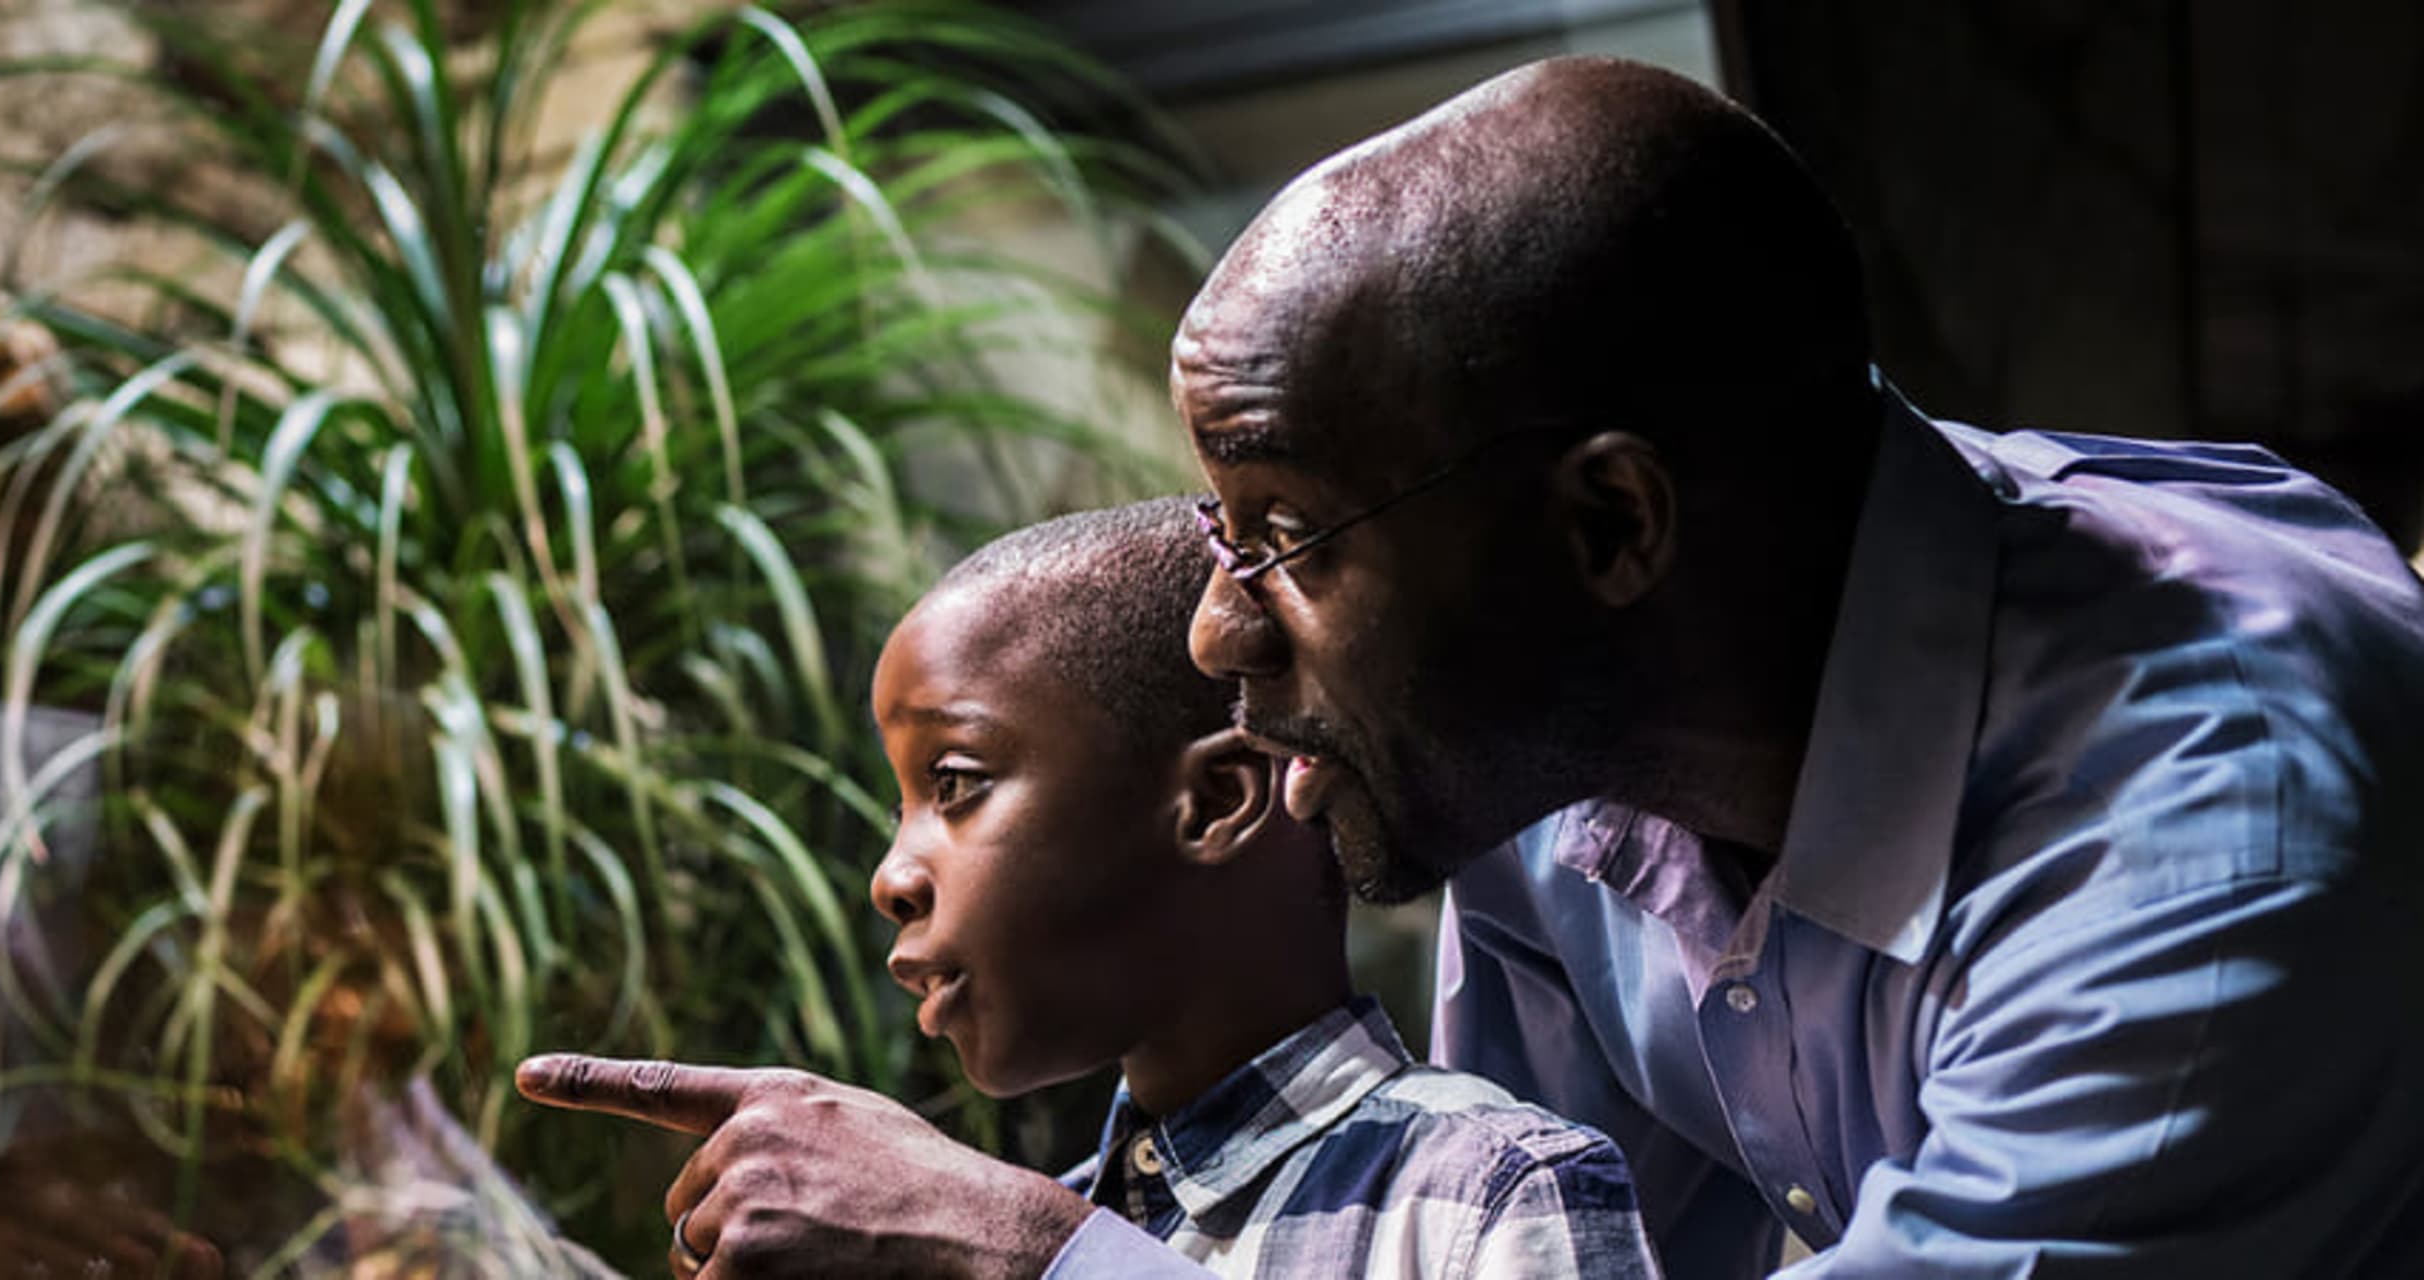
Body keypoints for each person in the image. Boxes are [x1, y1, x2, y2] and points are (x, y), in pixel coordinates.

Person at [520, 52, 2424, 1280]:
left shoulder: (2207, 848)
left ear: (1608, 531)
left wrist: (1034, 1255)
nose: (1214, 638)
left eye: (1285, 539)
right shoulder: (1546, 743)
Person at [529, 499, 1657, 1279]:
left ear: (1217, 803)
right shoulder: (965, 1245)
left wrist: (1034, 1253)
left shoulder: (1485, 1193)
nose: (891, 874)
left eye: (955, 783)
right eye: (900, 804)